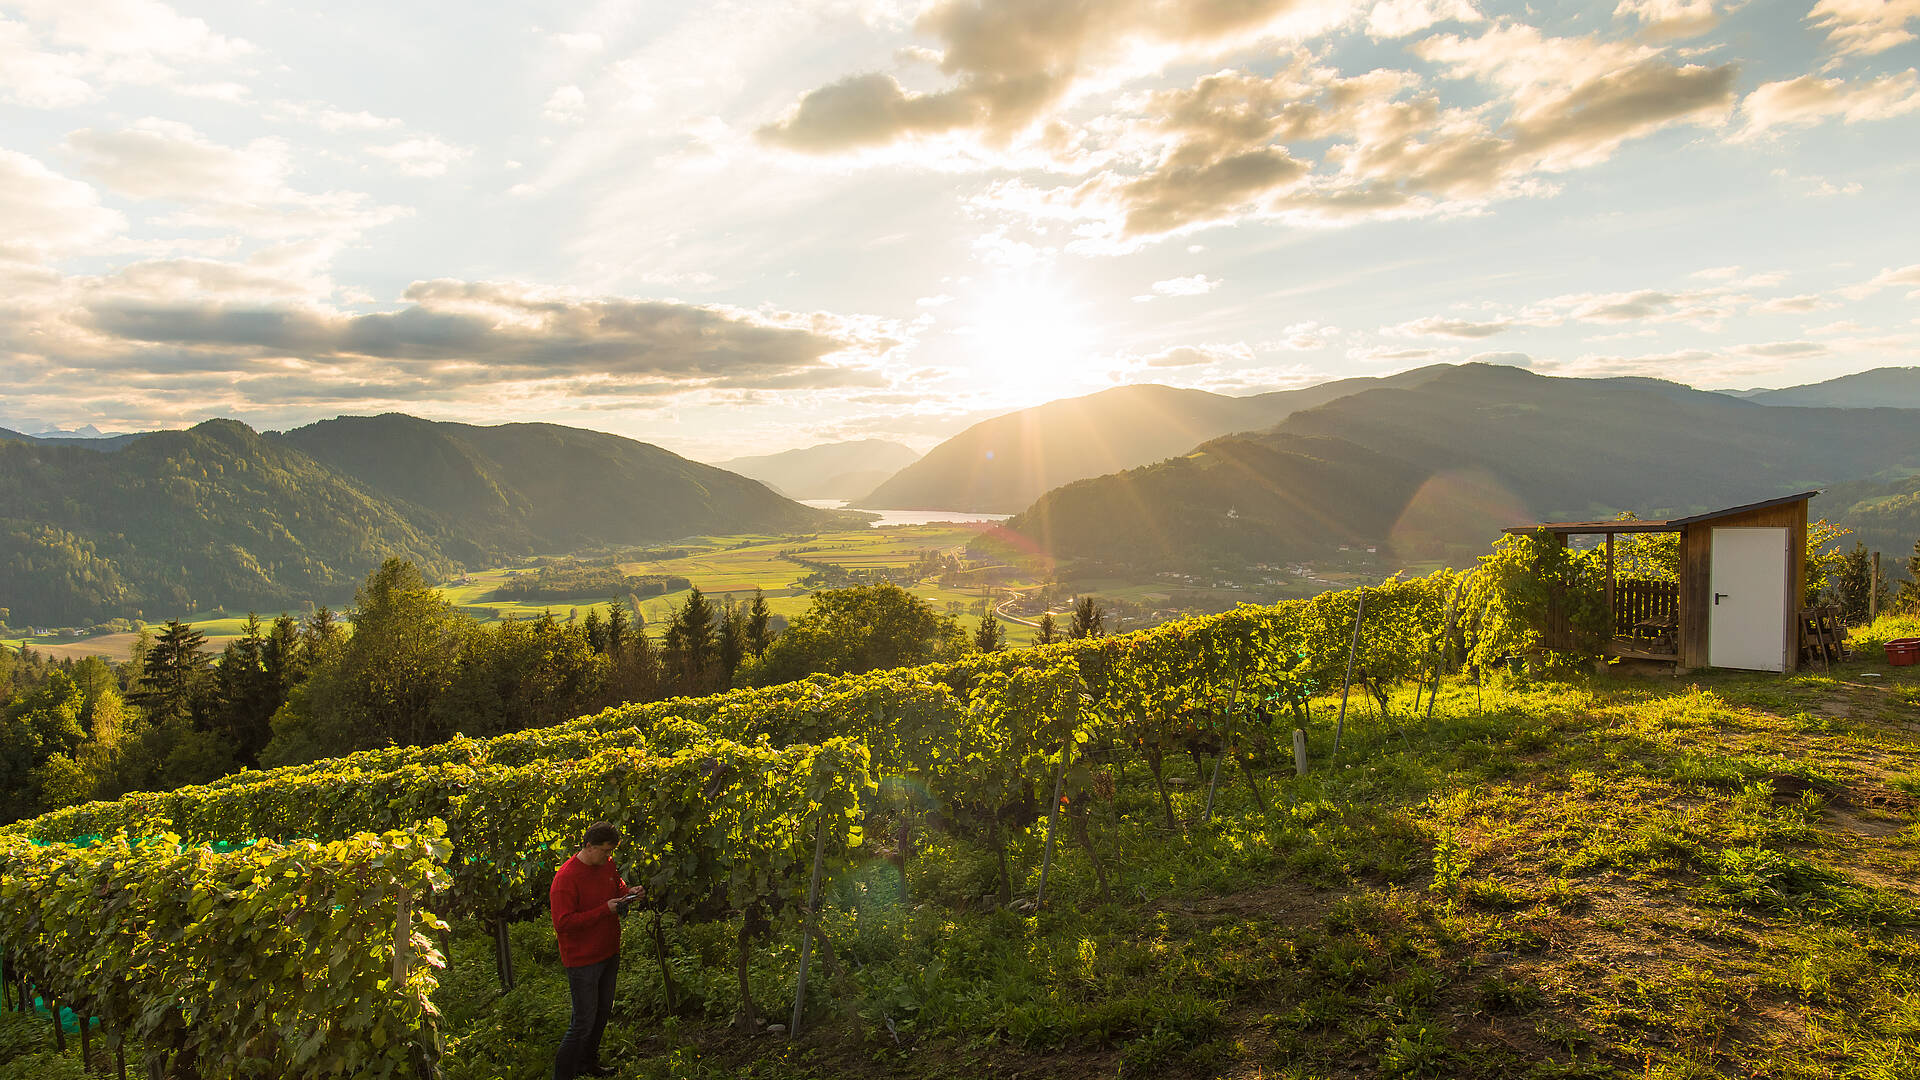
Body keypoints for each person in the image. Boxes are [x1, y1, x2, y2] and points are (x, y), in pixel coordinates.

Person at [550, 821, 642, 1079]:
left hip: (609, 951)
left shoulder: (606, 864)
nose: (609, 856)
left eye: (611, 851)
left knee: (602, 1013)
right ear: (588, 846)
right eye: (605, 850)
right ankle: (563, 1074)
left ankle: (587, 1063)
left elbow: (617, 887)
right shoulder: (566, 878)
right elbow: (563, 923)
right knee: (582, 1022)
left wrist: (629, 892)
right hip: (583, 961)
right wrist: (605, 910)